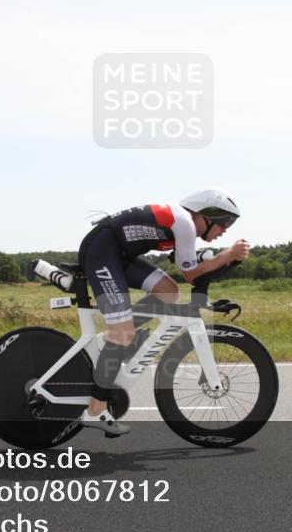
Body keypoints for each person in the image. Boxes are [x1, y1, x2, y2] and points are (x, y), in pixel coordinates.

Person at [77, 187, 250, 436]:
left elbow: (187, 265)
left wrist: (222, 259)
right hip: (102, 252)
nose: (224, 230)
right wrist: (228, 255)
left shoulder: (182, 224)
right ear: (206, 215)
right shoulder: (185, 224)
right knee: (123, 334)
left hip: (118, 254)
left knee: (168, 291)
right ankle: (96, 410)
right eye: (224, 223)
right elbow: (191, 275)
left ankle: (112, 339)